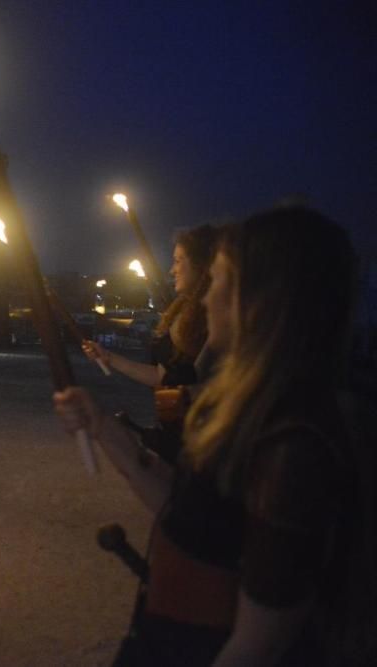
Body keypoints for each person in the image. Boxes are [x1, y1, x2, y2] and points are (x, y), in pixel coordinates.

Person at [54, 206, 375, 666]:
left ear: (257, 299)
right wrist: (102, 425)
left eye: (219, 281)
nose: (206, 299)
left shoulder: (293, 444)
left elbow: (258, 645)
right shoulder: (248, 409)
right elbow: (184, 507)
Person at [83, 225, 217, 460]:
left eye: (178, 261)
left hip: (207, 444)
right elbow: (162, 376)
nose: (172, 270)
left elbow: (205, 385)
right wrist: (109, 357)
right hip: (178, 436)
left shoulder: (217, 319)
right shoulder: (185, 314)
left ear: (203, 265)